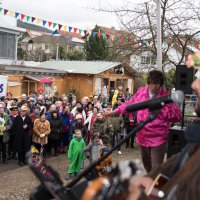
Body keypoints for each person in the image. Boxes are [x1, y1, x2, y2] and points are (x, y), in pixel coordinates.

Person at [105, 70, 182, 173]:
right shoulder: (141, 92)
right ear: (148, 83)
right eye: (152, 84)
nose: (154, 87)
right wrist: (114, 112)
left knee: (156, 169)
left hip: (158, 138)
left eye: (157, 84)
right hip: (142, 135)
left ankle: (155, 186)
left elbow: (178, 116)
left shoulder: (167, 97)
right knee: (147, 165)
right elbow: (130, 104)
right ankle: (150, 184)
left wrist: (161, 109)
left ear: (161, 84)